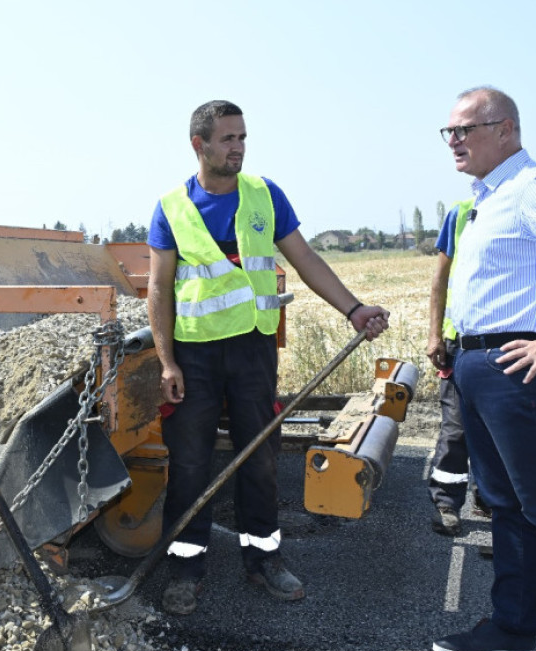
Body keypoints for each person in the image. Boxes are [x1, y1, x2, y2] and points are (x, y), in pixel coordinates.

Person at [147, 100, 389, 616]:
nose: (238, 147)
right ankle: (185, 570)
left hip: (253, 351)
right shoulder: (171, 207)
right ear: (200, 145)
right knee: (190, 465)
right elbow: (158, 289)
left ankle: (264, 561)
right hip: (194, 356)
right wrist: (167, 362)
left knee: (258, 458)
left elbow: (304, 259)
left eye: (242, 138)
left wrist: (352, 309)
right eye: (228, 138)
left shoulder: (264, 194)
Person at [430, 87, 536, 651]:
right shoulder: (486, 200)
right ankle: (514, 625)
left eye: (467, 129)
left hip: (521, 369)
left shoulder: (535, 188)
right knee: (506, 505)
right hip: (478, 366)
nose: (455, 141)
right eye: (448, 132)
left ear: (508, 130)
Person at [425, 198, 490, 537]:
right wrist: (435, 335)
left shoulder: (522, 206)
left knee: (495, 429)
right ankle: (446, 504)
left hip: (503, 345)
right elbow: (441, 279)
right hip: (459, 344)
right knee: (457, 429)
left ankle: (488, 498)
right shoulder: (461, 213)